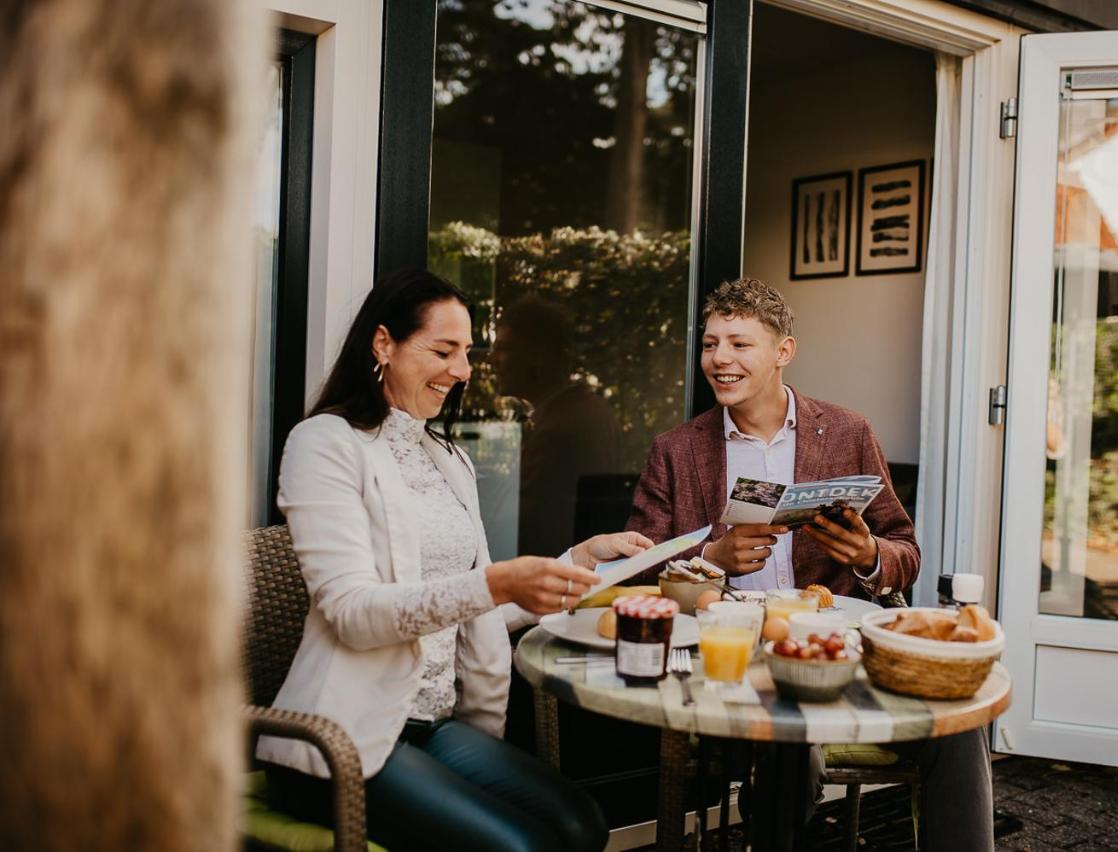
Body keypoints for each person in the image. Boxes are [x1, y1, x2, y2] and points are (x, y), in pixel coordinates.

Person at [258, 269, 650, 852]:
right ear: (383, 343)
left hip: (434, 726)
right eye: (443, 350)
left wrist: (579, 560)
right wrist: (495, 583)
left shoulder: (447, 458)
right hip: (340, 739)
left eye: (466, 352)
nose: (463, 371)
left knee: (582, 824)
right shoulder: (323, 443)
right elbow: (351, 613)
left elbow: (476, 608)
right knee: (524, 847)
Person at [626, 277, 993, 851]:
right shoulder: (676, 450)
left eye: (739, 344)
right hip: (738, 660)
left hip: (840, 649)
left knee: (959, 721)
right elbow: (637, 567)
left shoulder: (848, 432)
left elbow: (905, 551)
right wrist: (708, 557)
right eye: (710, 344)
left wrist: (870, 556)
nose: (719, 358)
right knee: (789, 741)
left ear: (783, 352)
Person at [490, 296, 622, 556]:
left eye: (504, 348)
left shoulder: (560, 429)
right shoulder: (586, 410)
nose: (492, 359)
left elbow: (529, 527)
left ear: (537, 356)